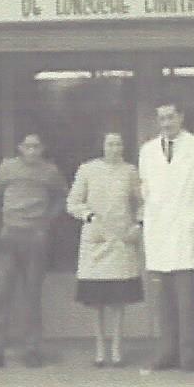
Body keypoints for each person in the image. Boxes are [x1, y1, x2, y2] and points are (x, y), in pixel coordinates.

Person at [138, 101, 194, 372]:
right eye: (161, 118)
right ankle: (167, 353)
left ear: (181, 117)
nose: (166, 123)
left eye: (171, 117)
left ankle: (189, 357)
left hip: (187, 229)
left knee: (187, 300)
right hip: (159, 232)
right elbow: (147, 189)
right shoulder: (147, 151)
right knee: (164, 301)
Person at [0, 132, 69, 369]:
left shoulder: (50, 171)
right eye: (27, 146)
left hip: (36, 237)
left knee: (32, 296)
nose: (32, 150)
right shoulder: (7, 168)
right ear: (20, 148)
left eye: (36, 146)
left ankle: (31, 349)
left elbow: (63, 197)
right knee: (1, 295)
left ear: (42, 148)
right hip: (9, 235)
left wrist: (47, 220)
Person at [66, 132, 144, 367]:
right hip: (97, 239)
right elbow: (73, 203)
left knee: (118, 300)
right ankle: (100, 348)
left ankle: (117, 348)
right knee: (97, 300)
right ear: (102, 146)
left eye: (118, 143)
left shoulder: (130, 172)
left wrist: (138, 225)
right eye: (110, 143)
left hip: (121, 240)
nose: (114, 148)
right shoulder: (87, 170)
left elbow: (142, 203)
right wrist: (89, 217)